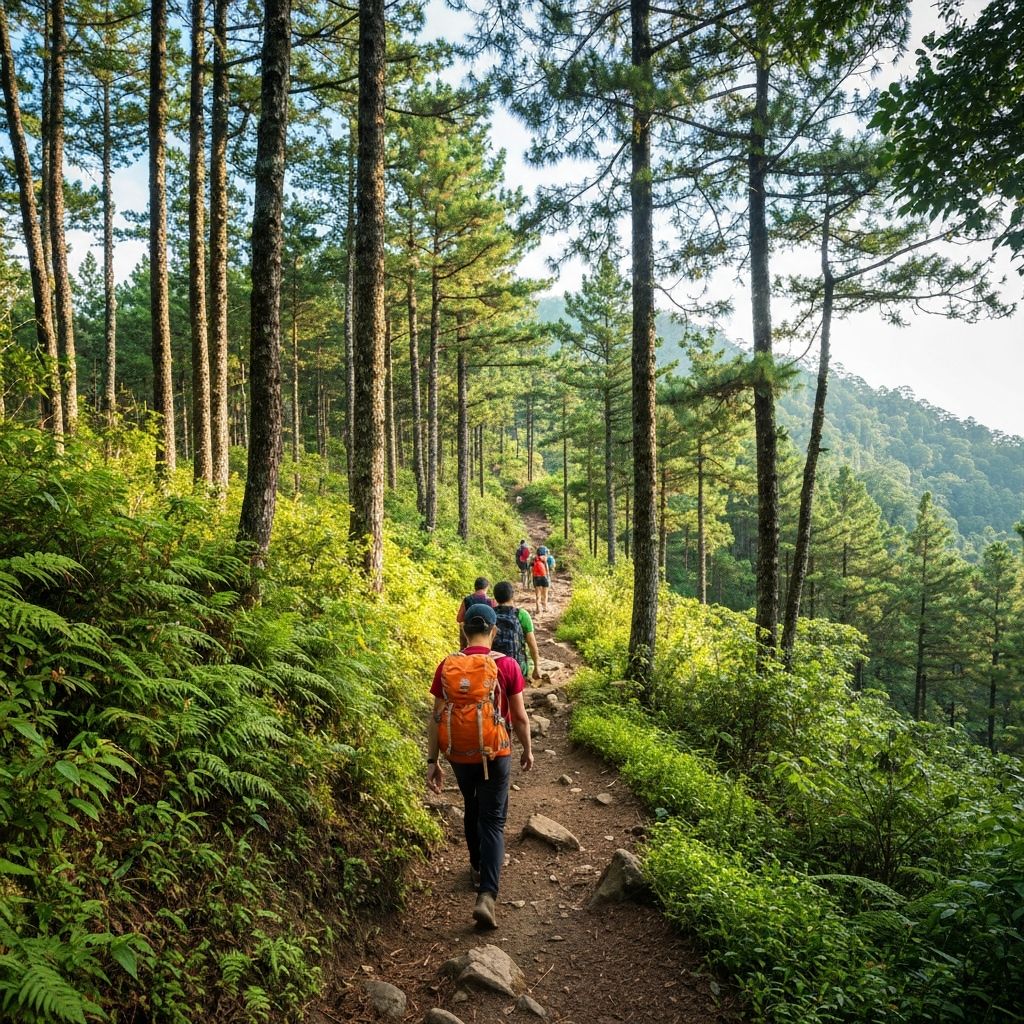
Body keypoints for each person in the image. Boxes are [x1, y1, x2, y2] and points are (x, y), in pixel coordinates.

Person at [427, 603, 534, 929]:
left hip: (459, 754)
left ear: (464, 631)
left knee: (471, 805)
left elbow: (435, 717)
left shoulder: (447, 665)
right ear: (493, 631)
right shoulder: (508, 666)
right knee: (492, 819)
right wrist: (528, 749)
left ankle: (475, 865)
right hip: (495, 754)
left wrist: (432, 761)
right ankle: (487, 894)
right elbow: (518, 717)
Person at [492, 580, 542, 683]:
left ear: (495, 597)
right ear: (512, 596)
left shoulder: (490, 614)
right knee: (517, 696)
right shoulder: (522, 614)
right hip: (517, 666)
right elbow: (532, 644)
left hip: (493, 666)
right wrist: (537, 667)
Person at [456, 576, 496, 647]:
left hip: (469, 637)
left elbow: (459, 619)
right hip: (486, 637)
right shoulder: (491, 602)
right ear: (486, 587)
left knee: (462, 625)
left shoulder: (467, 600)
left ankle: (463, 650)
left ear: (475, 587)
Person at [531, 545, 554, 614]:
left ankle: (538, 609)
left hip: (536, 577)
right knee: (545, 594)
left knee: (538, 595)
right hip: (543, 577)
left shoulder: (534, 559)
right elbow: (547, 569)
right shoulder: (544, 559)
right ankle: (545, 608)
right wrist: (548, 576)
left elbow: (531, 569)